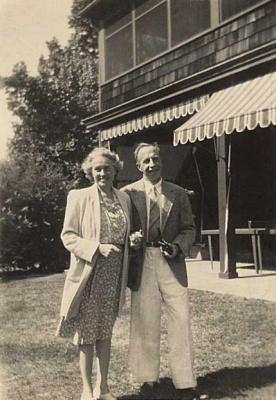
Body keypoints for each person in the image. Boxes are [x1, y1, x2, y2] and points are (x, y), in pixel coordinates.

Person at [123, 142, 197, 400]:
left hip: (171, 261)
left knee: (181, 318)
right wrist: (130, 241)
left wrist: (178, 247)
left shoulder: (178, 193)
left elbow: (189, 228)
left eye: (155, 159)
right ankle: (147, 380)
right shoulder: (127, 194)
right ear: (138, 166)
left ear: (161, 161)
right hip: (142, 262)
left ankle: (185, 382)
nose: (152, 164)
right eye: (146, 161)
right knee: (146, 320)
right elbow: (121, 230)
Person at [56, 147, 131, 400]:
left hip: (114, 275)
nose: (102, 173)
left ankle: (104, 387)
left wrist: (131, 240)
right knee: (87, 333)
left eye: (107, 168)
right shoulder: (79, 197)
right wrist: (96, 248)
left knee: (105, 332)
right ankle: (87, 390)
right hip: (90, 273)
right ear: (90, 171)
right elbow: (68, 236)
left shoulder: (124, 199)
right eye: (97, 169)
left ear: (115, 170)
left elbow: (121, 233)